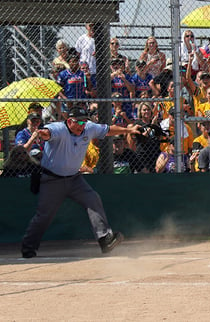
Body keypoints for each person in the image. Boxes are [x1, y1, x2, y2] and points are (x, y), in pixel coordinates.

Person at [21, 107, 141, 258]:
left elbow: (109, 130)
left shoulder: (88, 128)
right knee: (44, 216)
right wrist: (42, 134)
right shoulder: (58, 128)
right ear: (69, 121)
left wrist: (129, 131)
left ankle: (105, 240)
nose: (81, 126)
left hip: (74, 179)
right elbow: (47, 133)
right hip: (52, 180)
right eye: (78, 122)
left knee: (93, 199)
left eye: (84, 122)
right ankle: (28, 248)